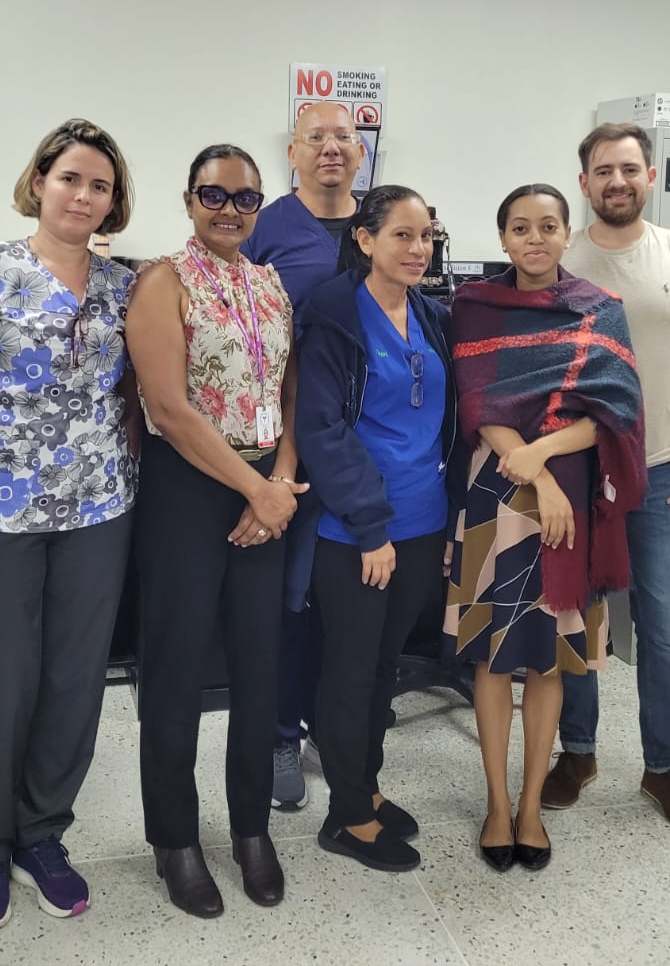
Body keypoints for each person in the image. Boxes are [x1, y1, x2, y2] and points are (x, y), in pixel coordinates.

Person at [0, 119, 138, 932]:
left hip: (98, 507)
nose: (83, 195)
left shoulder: (125, 287)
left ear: (113, 202)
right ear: (40, 183)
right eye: (70, 178)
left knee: (74, 676)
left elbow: (134, 393)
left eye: (100, 185)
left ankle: (43, 832)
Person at [127, 144, 304, 918]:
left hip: (265, 489)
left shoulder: (270, 284)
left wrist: (280, 482)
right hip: (189, 488)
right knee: (176, 669)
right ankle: (174, 839)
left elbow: (289, 390)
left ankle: (251, 829)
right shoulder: (162, 280)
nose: (230, 210)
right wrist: (256, 490)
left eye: (246, 199)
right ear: (189, 200)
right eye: (214, 195)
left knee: (260, 667)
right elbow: (168, 408)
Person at [449, 183, 647, 871]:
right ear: (503, 237)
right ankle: (496, 805)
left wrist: (548, 456)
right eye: (520, 227)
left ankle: (530, 806)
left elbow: (617, 413)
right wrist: (535, 473)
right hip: (498, 492)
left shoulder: (600, 309)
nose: (534, 239)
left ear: (568, 234)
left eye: (548, 226)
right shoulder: (474, 306)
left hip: (571, 495)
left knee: (549, 658)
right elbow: (478, 402)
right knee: (493, 657)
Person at [542, 123, 670, 839]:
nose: (616, 181)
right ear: (584, 182)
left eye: (629, 169)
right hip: (580, 470)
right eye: (602, 171)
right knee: (577, 618)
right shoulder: (561, 254)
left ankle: (663, 768)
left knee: (662, 631)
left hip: (659, 469)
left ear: (651, 176)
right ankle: (578, 753)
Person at [296, 185, 463, 873]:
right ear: (365, 240)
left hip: (423, 523)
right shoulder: (334, 313)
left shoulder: (431, 313)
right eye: (402, 235)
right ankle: (346, 817)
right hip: (358, 532)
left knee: (384, 670)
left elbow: (445, 423)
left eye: (427, 236)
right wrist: (369, 528)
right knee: (351, 671)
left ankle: (364, 787)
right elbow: (321, 429)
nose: (418, 249)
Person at [241, 100, 363, 811]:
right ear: (292, 153)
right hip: (286, 442)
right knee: (288, 598)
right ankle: (281, 732)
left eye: (343, 136)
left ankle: (331, 728)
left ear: (360, 151)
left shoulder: (382, 223)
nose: (330, 148)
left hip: (363, 444)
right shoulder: (265, 227)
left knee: (346, 600)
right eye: (315, 137)